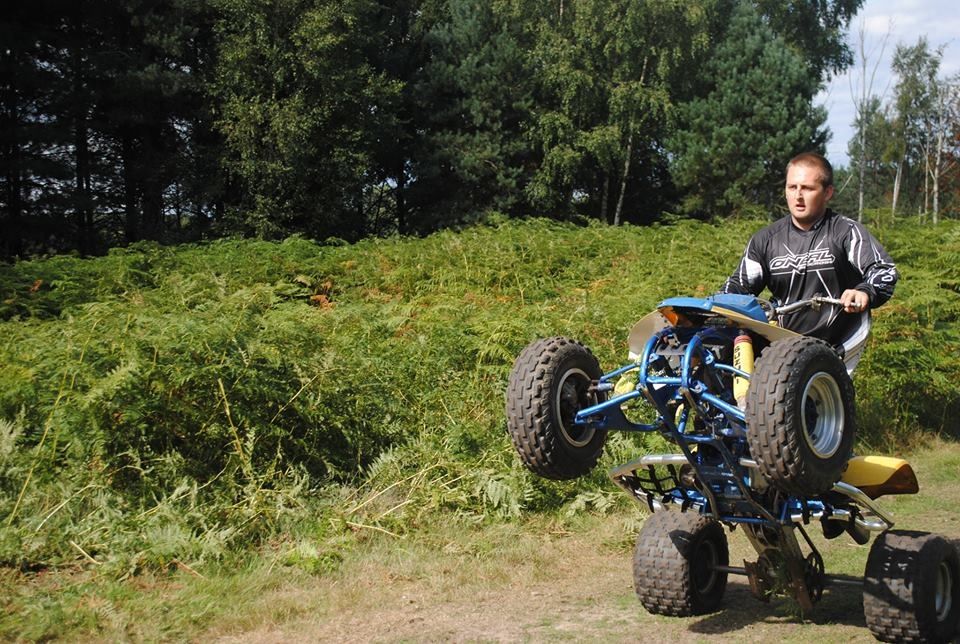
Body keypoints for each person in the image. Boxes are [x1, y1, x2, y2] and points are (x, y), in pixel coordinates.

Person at [722, 152, 898, 373]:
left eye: (807, 188)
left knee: (806, 392)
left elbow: (883, 270)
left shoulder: (846, 231)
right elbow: (738, 286)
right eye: (792, 187)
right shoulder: (765, 239)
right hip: (782, 345)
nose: (798, 196)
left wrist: (864, 292)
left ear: (828, 193)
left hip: (837, 344)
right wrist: (710, 308)